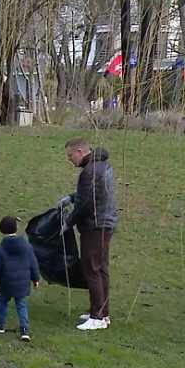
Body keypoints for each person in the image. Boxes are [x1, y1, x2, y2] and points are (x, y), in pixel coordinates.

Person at [56, 138, 118, 331]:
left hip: (95, 225)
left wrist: (68, 222)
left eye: (70, 155)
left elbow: (86, 204)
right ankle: (102, 311)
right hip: (106, 223)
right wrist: (72, 197)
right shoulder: (102, 165)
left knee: (91, 269)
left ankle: (97, 317)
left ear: (80, 151)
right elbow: (92, 194)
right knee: (101, 269)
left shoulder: (89, 171)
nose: (69, 160)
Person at [0, 216, 40, 342]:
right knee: (21, 305)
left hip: (6, 283)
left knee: (3, 302)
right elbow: (33, 263)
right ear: (16, 228)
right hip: (22, 283)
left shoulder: (0, 248)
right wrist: (35, 278)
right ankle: (24, 330)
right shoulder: (27, 246)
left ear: (1, 230)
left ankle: (0, 325)